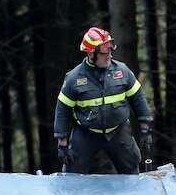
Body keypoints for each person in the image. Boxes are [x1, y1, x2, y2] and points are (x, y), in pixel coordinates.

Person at [54, 26, 154, 174]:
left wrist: (146, 129)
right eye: (104, 51)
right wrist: (62, 143)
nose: (109, 55)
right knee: (72, 175)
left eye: (110, 50)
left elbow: (138, 98)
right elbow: (62, 109)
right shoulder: (74, 79)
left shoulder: (123, 71)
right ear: (91, 53)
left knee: (132, 173)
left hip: (118, 132)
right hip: (86, 133)